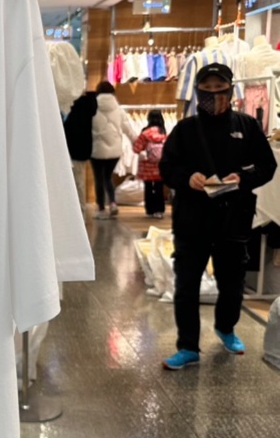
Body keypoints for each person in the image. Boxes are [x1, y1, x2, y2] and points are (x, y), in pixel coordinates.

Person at [159, 62, 277, 370]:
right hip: (191, 219)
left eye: (220, 87)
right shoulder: (185, 129)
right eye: (207, 88)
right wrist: (188, 178)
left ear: (230, 88)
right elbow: (167, 167)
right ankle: (188, 346)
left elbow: (267, 166)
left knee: (232, 283)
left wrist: (243, 178)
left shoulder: (247, 126)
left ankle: (226, 327)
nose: (214, 94)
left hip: (234, 219)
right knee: (186, 285)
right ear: (198, 92)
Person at [90, 81, 137, 219]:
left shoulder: (92, 108)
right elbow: (127, 128)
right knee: (108, 177)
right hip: (114, 151)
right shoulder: (118, 109)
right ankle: (112, 203)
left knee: (99, 179)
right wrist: (136, 140)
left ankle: (101, 209)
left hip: (96, 150)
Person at [64, 90, 98, 213]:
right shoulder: (88, 105)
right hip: (81, 149)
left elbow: (69, 129)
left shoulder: (76, 105)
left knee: (76, 182)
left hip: (74, 149)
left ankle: (79, 213)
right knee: (79, 182)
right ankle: (80, 212)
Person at [133, 110, 168, 218]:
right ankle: (160, 210)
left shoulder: (145, 133)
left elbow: (136, 148)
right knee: (159, 188)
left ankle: (150, 210)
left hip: (147, 167)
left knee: (148, 188)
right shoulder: (164, 133)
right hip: (160, 167)